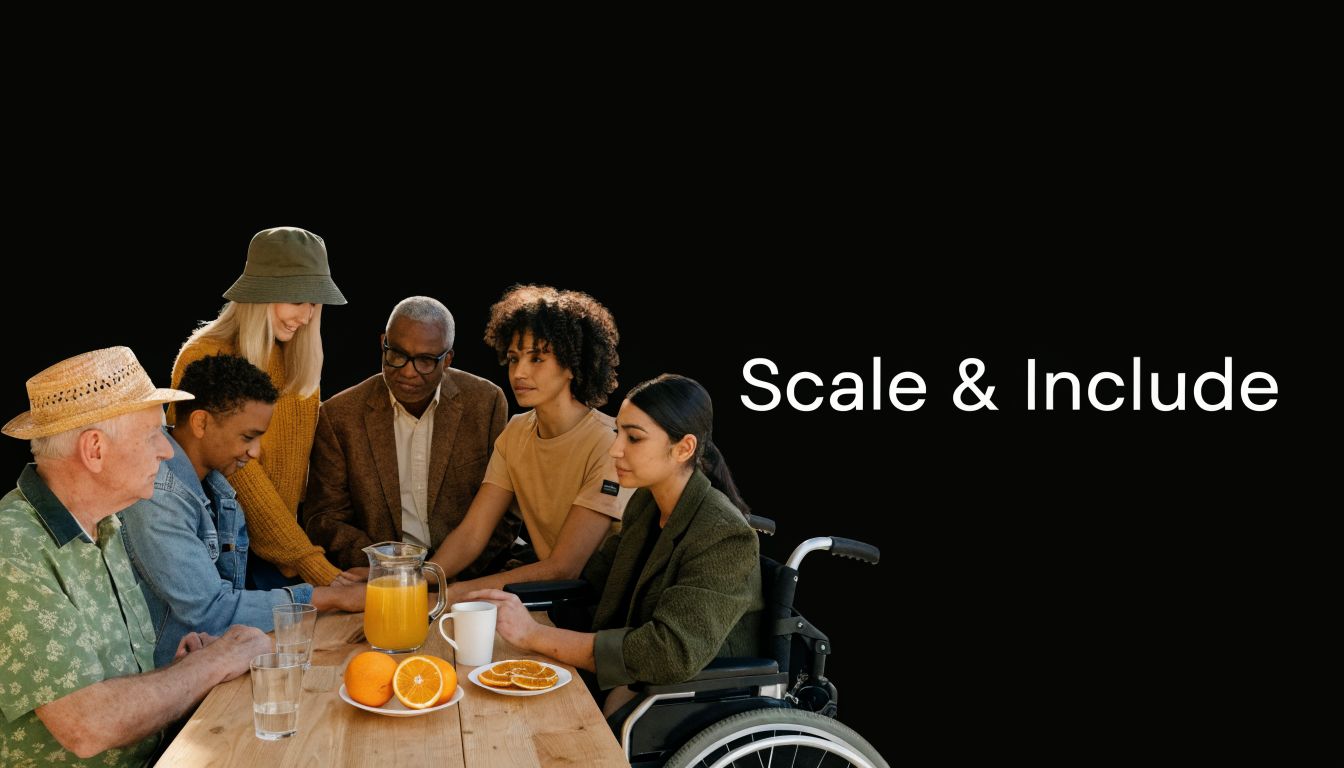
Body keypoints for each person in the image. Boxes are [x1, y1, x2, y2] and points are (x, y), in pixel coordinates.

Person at [0, 347, 272, 766]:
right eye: (152, 436)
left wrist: (181, 668)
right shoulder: (12, 549)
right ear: (94, 450)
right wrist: (215, 662)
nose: (166, 452)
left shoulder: (106, 524)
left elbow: (119, 684)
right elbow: (88, 725)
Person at [470, 374, 763, 718]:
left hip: (690, 697)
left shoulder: (724, 535)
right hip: (629, 677)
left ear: (683, 448)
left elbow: (667, 652)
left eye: (634, 438)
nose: (615, 450)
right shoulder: (644, 504)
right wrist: (512, 601)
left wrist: (535, 636)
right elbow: (592, 584)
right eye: (617, 432)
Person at [120, 355, 366, 667]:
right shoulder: (157, 494)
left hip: (212, 662)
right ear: (201, 423)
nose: (255, 452)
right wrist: (327, 596)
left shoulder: (215, 481)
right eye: (248, 437)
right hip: (167, 682)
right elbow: (209, 612)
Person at [169, 226, 354, 589]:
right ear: (262, 294)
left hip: (282, 552)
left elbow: (297, 480)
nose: (307, 316)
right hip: (216, 550)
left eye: (315, 303)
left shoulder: (300, 364)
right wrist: (311, 565)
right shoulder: (204, 356)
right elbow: (243, 478)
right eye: (299, 300)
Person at [427, 285, 630, 605]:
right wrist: (416, 579)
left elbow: (565, 567)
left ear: (571, 365)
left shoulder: (610, 443)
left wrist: (455, 594)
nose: (519, 372)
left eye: (537, 358)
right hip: (549, 599)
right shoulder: (516, 432)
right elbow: (471, 535)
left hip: (608, 608)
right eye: (513, 358)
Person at [304, 296, 519, 574]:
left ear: (448, 359)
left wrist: (447, 573)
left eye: (426, 360)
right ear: (383, 344)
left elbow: (506, 515)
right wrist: (389, 572)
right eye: (397, 354)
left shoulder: (486, 402)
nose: (408, 371)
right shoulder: (339, 415)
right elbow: (325, 520)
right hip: (381, 581)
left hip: (471, 578)